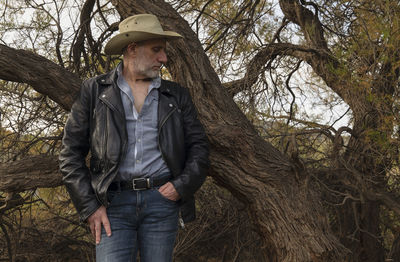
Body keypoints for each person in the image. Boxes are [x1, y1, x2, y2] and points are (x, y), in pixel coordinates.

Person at [59, 14, 209, 262]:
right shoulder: (95, 90)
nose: (164, 58)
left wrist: (180, 187)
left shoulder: (176, 95)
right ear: (132, 49)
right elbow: (70, 153)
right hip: (112, 204)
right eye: (157, 50)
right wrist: (90, 207)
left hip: (161, 202)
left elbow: (199, 147)